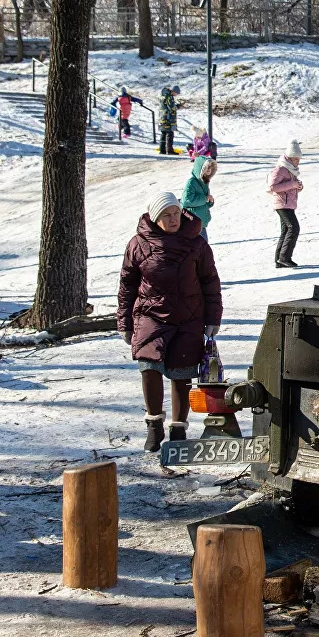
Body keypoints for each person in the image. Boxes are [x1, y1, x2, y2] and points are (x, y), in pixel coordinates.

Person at [117, 192, 222, 452]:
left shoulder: (196, 244)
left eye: (176, 213)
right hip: (150, 314)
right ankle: (154, 425)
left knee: (182, 372)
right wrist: (124, 322)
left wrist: (213, 318)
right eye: (166, 215)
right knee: (149, 365)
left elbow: (210, 281)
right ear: (155, 217)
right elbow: (127, 285)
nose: (173, 219)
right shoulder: (137, 244)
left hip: (189, 316)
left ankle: (178, 429)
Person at [268, 140, 304, 268]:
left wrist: (298, 187)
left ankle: (279, 260)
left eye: (299, 159)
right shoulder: (281, 169)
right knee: (294, 228)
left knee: (286, 230)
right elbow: (271, 187)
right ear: (288, 158)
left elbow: (289, 186)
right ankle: (284, 258)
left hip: (288, 204)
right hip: (282, 204)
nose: (297, 162)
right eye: (295, 159)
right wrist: (292, 185)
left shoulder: (291, 170)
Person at [181, 155, 217, 238]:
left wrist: (210, 201)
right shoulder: (191, 182)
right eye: (206, 167)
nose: (209, 169)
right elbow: (186, 201)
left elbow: (203, 203)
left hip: (201, 222)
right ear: (200, 168)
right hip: (192, 222)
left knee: (203, 247)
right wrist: (205, 199)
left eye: (210, 167)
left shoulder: (204, 182)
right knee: (198, 248)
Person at [159, 85, 179, 155]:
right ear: (173, 91)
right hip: (168, 118)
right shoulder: (169, 97)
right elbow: (171, 107)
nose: (176, 95)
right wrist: (178, 106)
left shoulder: (164, 96)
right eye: (176, 93)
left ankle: (162, 150)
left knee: (163, 133)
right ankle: (169, 150)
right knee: (169, 134)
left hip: (162, 117)